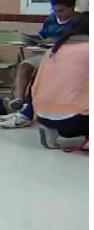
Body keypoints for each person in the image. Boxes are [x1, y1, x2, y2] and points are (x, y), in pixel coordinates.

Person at [1, 0, 80, 129]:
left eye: (61, 10)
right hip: (45, 52)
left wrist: (56, 41)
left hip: (64, 57)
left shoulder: (80, 21)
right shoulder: (51, 19)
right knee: (24, 66)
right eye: (54, 10)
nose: (57, 14)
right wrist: (37, 40)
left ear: (72, 7)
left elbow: (78, 41)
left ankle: (26, 112)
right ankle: (20, 102)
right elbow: (42, 36)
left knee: (40, 77)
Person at [30, 12, 88, 149]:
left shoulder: (53, 50)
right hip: (76, 118)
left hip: (43, 115)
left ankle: (51, 131)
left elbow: (35, 86)